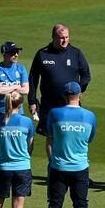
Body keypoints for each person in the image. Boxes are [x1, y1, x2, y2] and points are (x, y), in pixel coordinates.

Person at [40, 82, 96, 208]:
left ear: (64, 96)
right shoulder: (89, 116)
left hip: (58, 167)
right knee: (81, 207)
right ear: (80, 96)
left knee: (54, 207)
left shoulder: (54, 113)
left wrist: (52, 161)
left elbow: (49, 139)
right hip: (80, 167)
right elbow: (89, 139)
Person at [28, 24, 91, 160]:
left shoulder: (76, 53)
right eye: (61, 38)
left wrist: (79, 90)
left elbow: (86, 75)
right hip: (49, 103)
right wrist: (32, 100)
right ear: (53, 37)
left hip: (71, 104)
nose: (65, 40)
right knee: (51, 136)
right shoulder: (42, 54)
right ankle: (54, 168)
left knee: (72, 135)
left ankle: (74, 167)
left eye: (67, 37)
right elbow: (33, 78)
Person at [0, 41, 29, 187]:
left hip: (18, 113)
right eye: (12, 52)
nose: (16, 55)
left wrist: (8, 88)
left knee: (18, 141)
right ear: (4, 54)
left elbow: (26, 90)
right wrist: (16, 87)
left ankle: (19, 170)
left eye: (17, 52)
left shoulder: (21, 68)